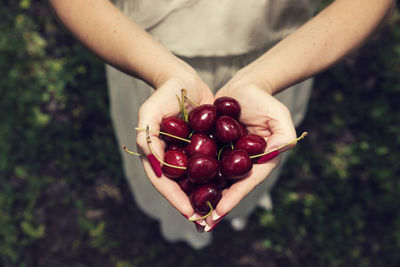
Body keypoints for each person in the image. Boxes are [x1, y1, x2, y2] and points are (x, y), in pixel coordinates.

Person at [49, 0, 395, 249]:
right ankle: (179, 228)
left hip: (281, 59)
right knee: (163, 161)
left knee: (238, 177)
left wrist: (263, 80)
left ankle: (233, 214)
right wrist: (162, 72)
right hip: (145, 56)